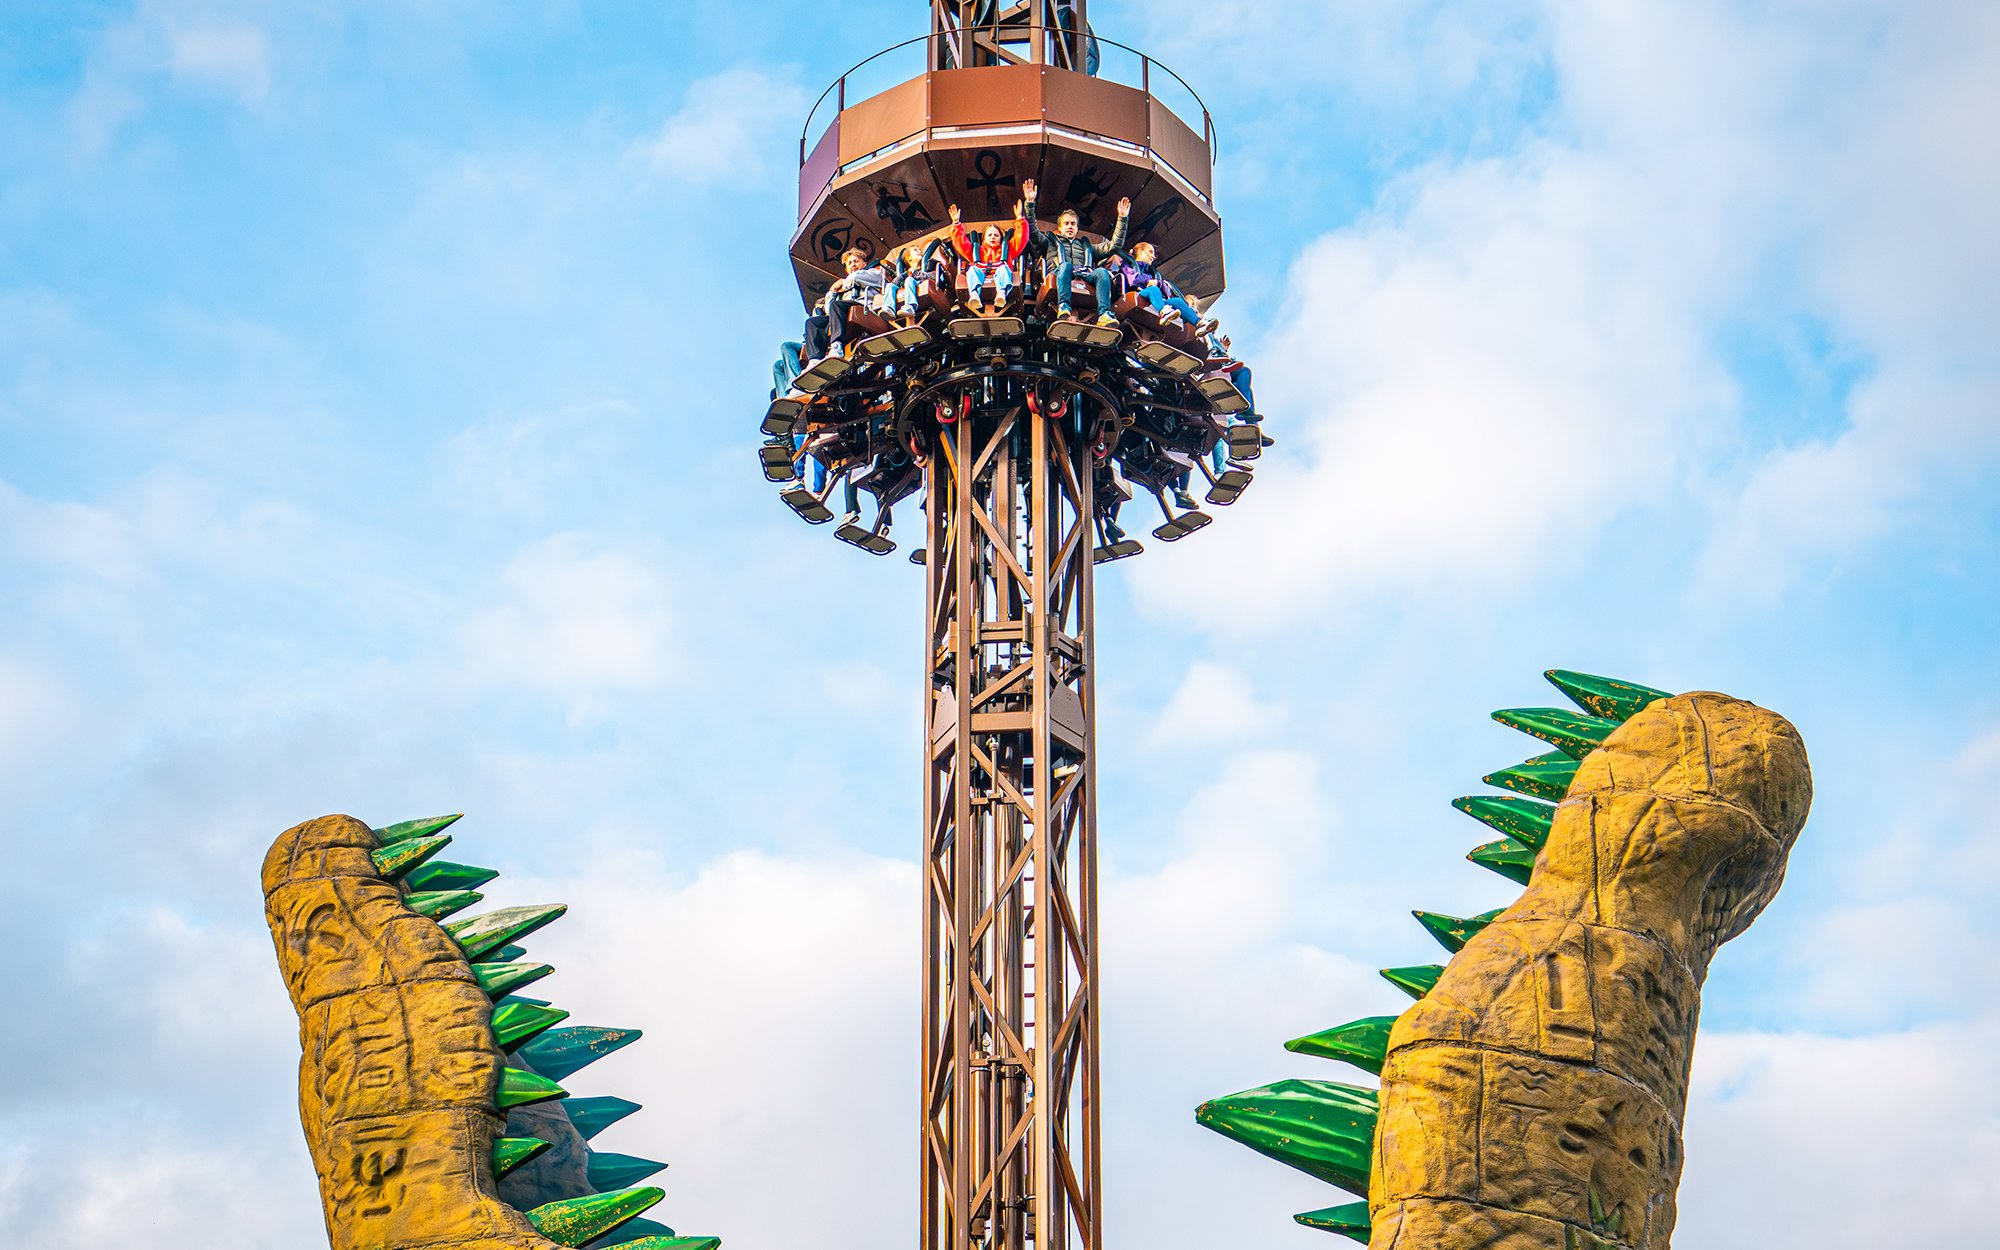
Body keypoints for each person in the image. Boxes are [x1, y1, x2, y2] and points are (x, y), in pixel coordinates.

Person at [1027, 179, 1130, 324]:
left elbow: (1114, 246)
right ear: (1060, 227)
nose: (1070, 226)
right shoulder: (1049, 242)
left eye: (1073, 224)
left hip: (1083, 274)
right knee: (1065, 266)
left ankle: (1104, 314)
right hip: (1060, 272)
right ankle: (1063, 305)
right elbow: (1032, 231)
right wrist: (1030, 203)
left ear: (1077, 228)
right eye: (1066, 223)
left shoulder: (1086, 246)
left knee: (1102, 272)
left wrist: (1122, 218)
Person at [1113, 241, 1216, 335]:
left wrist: (1158, 283)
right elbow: (1133, 280)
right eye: (1150, 252)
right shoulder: (1128, 265)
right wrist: (1150, 282)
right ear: (1140, 251)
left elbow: (1167, 293)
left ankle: (1199, 323)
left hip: (1155, 300)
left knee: (1177, 301)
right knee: (1154, 290)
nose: (1153, 256)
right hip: (1137, 293)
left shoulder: (1153, 273)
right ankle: (1164, 311)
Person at [804, 246, 885, 362]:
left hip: (863, 307)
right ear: (846, 269)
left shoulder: (873, 273)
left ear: (864, 263)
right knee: (812, 323)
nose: (853, 265)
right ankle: (814, 359)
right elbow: (829, 309)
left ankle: (837, 346)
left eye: (856, 261)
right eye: (850, 263)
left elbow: (855, 278)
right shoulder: (841, 289)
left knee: (837, 305)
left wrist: (843, 282)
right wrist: (832, 291)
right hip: (841, 312)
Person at [949, 199, 1029, 315]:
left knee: (1003, 268)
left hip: (1000, 279)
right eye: (990, 235)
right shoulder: (976, 251)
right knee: (972, 269)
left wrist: (1020, 219)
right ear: (984, 238)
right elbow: (960, 243)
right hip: (981, 277)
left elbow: (1021, 238)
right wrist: (956, 224)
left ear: (1000, 238)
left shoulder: (1007, 250)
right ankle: (974, 294)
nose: (993, 237)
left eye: (996, 235)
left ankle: (1001, 293)